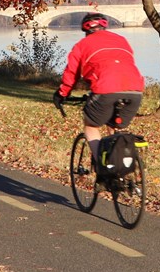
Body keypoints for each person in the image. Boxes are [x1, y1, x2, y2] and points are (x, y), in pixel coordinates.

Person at [53, 12, 144, 163]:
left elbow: (72, 73)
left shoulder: (82, 45)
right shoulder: (121, 40)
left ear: (85, 30)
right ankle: (121, 169)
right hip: (135, 89)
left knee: (91, 126)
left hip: (105, 88)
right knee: (116, 126)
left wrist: (62, 93)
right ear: (104, 26)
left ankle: (102, 166)